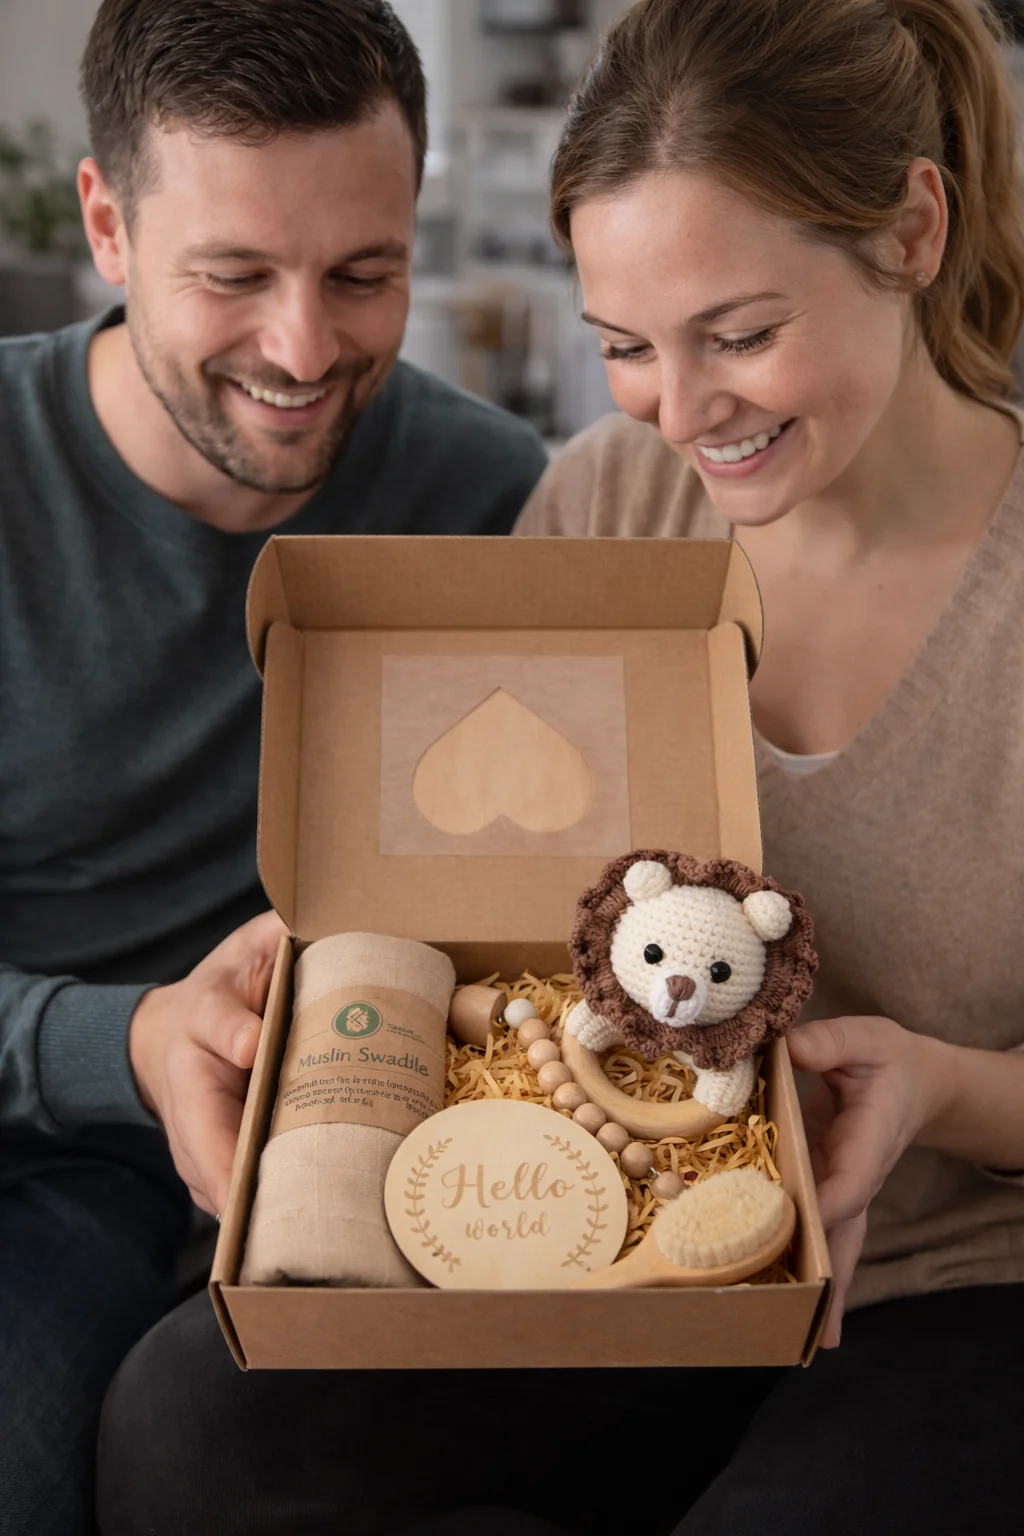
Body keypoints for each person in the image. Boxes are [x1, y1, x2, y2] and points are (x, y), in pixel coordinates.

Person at [96, 2, 1024, 1534]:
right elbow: (500, 898)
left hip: (950, 1290)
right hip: (613, 1228)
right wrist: (332, 986)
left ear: (912, 231)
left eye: (741, 334)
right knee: (194, 1429)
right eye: (625, 348)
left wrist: (940, 1089)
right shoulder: (610, 499)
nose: (682, 413)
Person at [0, 1, 548, 1531]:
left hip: (220, 1164)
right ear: (106, 226)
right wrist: (122, 1041)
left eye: (365, 275)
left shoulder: (487, 498)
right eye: (233, 276)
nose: (305, 352)